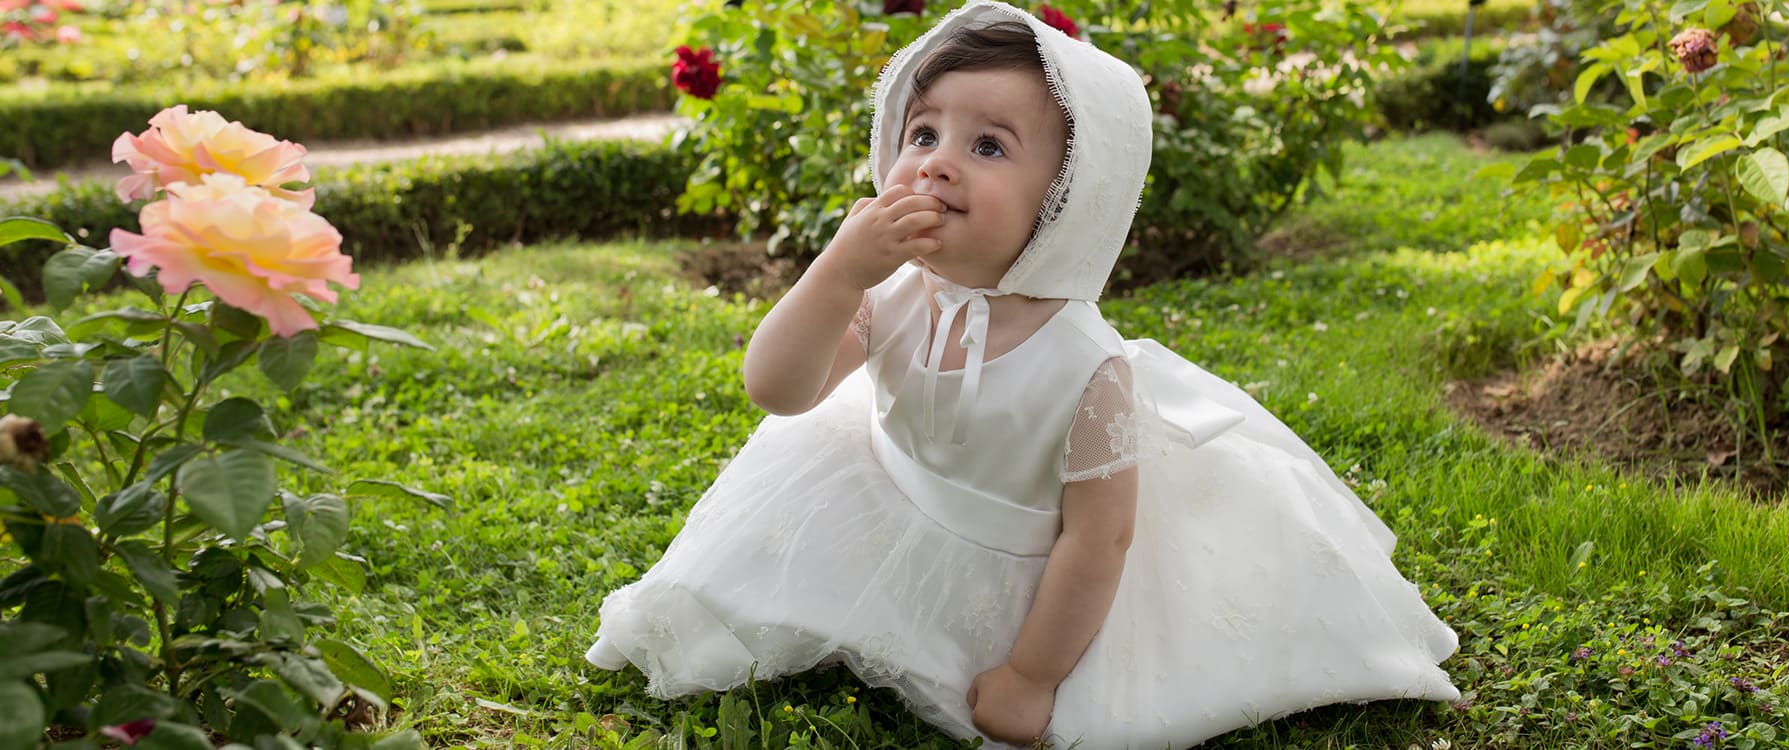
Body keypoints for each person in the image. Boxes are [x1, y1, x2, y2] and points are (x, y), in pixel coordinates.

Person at [586, 2, 1461, 747]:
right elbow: (777, 390)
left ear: (1068, 201)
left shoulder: (1088, 370)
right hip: (890, 493)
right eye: (922, 132)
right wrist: (837, 272)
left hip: (1036, 570)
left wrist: (1031, 676)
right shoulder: (893, 287)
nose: (936, 160)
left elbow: (1096, 542)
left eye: (990, 147)